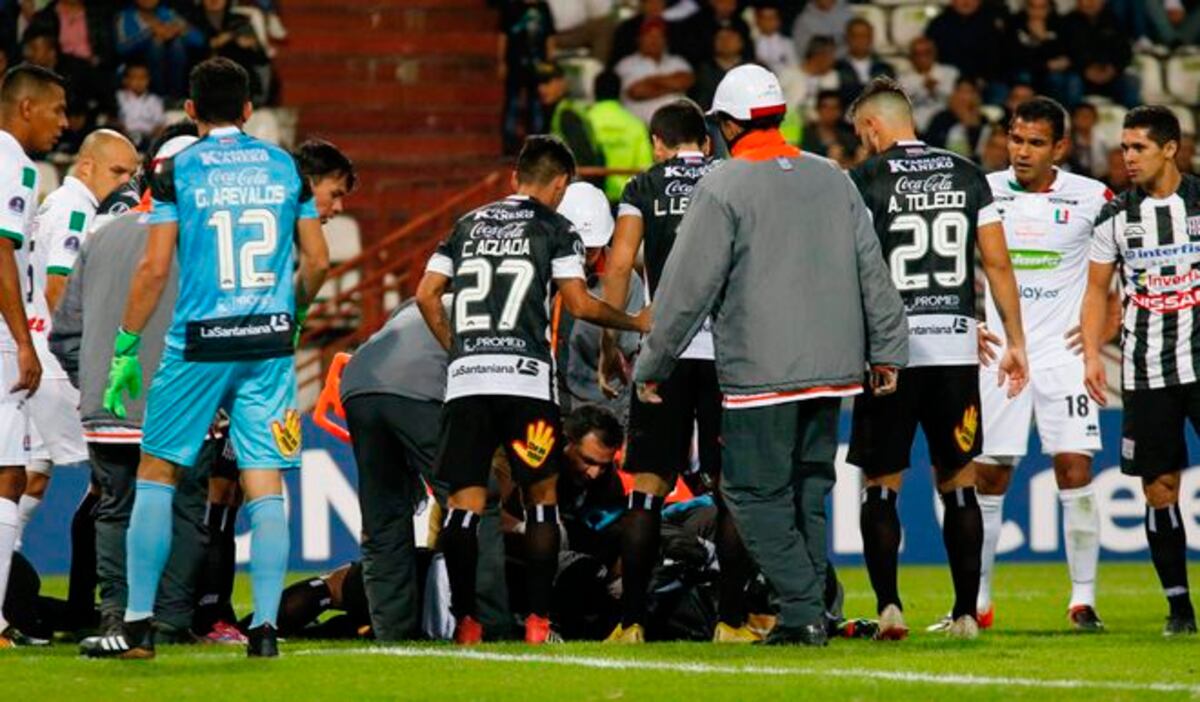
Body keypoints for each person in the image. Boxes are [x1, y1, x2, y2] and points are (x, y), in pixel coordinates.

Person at [633, 65, 909, 646]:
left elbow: (685, 290)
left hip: (761, 371)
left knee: (751, 495)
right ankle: (815, 610)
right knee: (808, 491)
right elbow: (872, 268)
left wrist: (654, 363)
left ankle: (803, 610)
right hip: (836, 369)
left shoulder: (724, 185)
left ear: (730, 125)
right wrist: (887, 348)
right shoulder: (832, 177)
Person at [79, 57, 330, 659]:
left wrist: (125, 345)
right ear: (249, 109)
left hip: (198, 342)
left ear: (190, 110)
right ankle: (264, 631)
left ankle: (137, 626)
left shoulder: (175, 170)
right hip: (267, 343)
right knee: (264, 480)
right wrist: (291, 314)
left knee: (157, 472)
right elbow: (319, 261)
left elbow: (154, 268)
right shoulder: (286, 167)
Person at [414, 135, 650, 646]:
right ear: (561, 183)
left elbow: (426, 294)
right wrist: (634, 320)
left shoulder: (465, 224)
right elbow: (580, 304)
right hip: (525, 382)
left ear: (515, 176)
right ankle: (539, 623)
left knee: (463, 507)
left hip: (469, 382)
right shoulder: (556, 228)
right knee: (542, 502)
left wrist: (458, 349)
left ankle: (467, 622)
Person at [846, 77, 1028, 641]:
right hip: (954, 348)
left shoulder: (864, 180)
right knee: (959, 481)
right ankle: (967, 614)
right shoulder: (969, 175)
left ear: (873, 126)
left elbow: (852, 269)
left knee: (881, 484)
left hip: (890, 353)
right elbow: (996, 263)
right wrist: (1015, 340)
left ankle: (889, 609)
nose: (862, 143)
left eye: (861, 134)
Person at [961, 97, 1119, 634]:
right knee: (990, 474)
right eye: (1015, 139)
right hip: (1003, 353)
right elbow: (951, 261)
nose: (1021, 151)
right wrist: (968, 321)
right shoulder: (982, 190)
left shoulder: (1093, 197)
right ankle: (978, 602)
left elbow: (1118, 272)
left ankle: (1083, 600)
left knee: (1075, 467)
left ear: (1060, 148)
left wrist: (1104, 328)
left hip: (1063, 355)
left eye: (1034, 142)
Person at [599, 98, 751, 644]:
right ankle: (731, 622)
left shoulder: (643, 186)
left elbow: (620, 263)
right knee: (731, 489)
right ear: (706, 142)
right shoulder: (734, 179)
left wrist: (612, 341)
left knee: (647, 489)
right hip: (728, 356)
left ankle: (631, 623)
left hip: (664, 354)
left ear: (657, 145)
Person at [1082, 105, 1200, 637]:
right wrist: (1091, 354)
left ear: (1170, 148)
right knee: (1159, 487)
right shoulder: (1115, 217)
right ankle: (1180, 608)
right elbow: (1096, 291)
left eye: (1139, 148)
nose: (1127, 157)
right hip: (1147, 371)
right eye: (1124, 148)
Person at [17, 128, 138, 541]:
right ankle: (99, 576)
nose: (126, 183)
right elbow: (59, 288)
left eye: (132, 174)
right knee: (120, 475)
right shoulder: (77, 211)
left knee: (31, 477)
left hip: (38, 355)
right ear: (86, 167)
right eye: (117, 172)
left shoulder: (53, 204)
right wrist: (88, 355)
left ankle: (7, 557)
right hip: (61, 363)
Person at [0, 63, 63, 649]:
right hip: (1, 335)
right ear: (26, 108)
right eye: (56, 110)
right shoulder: (14, 164)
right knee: (8, 474)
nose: (62, 123)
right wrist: (23, 341)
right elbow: (0, 250)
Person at [114, 0, 205, 100]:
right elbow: (121, 48)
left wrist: (179, 30)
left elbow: (199, 40)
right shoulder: (126, 16)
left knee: (177, 43)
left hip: (171, 62)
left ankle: (176, 98)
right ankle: (159, 97)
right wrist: (151, 33)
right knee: (156, 44)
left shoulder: (168, 13)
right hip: (139, 63)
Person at [497, 0, 556, 155]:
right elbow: (503, 36)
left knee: (536, 106)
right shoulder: (511, 7)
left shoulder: (543, 8)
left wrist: (550, 63)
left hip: (538, 67)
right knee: (512, 104)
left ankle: (537, 146)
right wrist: (501, 61)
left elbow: (550, 37)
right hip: (515, 65)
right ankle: (509, 145)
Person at [588, 71, 653, 202]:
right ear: (620, 92)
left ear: (594, 91)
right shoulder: (636, 124)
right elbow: (645, 167)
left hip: (590, 196)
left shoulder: (584, 121)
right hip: (627, 198)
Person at [614, 19, 693, 126]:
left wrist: (651, 82)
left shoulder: (677, 61)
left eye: (659, 36)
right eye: (649, 36)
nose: (654, 40)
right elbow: (637, 92)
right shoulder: (625, 64)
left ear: (665, 40)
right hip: (640, 127)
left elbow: (685, 82)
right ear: (639, 39)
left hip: (677, 127)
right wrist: (671, 85)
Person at [1061, 0, 1138, 108]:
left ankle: (1132, 117)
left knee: (1131, 81)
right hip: (1080, 73)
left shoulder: (1113, 20)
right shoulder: (1067, 22)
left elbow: (1125, 51)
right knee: (1072, 82)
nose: (1090, 3)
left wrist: (1114, 68)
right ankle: (1073, 115)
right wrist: (1084, 69)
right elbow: (1064, 53)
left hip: (1110, 74)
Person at [536, 62, 603, 179]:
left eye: (547, 82)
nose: (541, 88)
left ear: (562, 82)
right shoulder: (556, 110)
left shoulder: (567, 114)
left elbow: (584, 159)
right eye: (538, 83)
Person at [898, 37, 958, 134]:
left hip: (946, 125)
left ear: (934, 53)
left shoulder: (950, 73)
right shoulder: (903, 79)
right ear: (911, 57)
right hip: (916, 128)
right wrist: (923, 87)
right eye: (917, 54)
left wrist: (936, 89)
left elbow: (953, 98)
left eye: (927, 52)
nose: (923, 57)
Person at [834, 17, 895, 106]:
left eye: (864, 36)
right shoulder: (837, 68)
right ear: (846, 38)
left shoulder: (885, 69)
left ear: (871, 38)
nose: (860, 40)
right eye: (855, 36)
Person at [688, 26, 745, 115]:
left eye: (730, 37)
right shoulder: (702, 70)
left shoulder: (753, 68)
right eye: (720, 38)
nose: (725, 42)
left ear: (741, 42)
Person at [800, 89, 859, 168]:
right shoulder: (804, 135)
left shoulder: (848, 137)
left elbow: (856, 163)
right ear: (817, 109)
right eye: (825, 107)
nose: (830, 111)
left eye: (834, 108)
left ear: (840, 111)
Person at [117, 62, 165, 149]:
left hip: (148, 139)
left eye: (143, 78)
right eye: (134, 77)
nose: (139, 81)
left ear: (149, 80)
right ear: (125, 80)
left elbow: (160, 124)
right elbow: (113, 119)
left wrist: (152, 136)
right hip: (124, 138)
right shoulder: (119, 97)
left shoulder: (154, 100)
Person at [753, 3, 796, 74]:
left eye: (772, 18)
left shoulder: (787, 43)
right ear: (757, 20)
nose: (768, 21)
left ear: (779, 21)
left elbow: (794, 67)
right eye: (764, 18)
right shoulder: (752, 43)